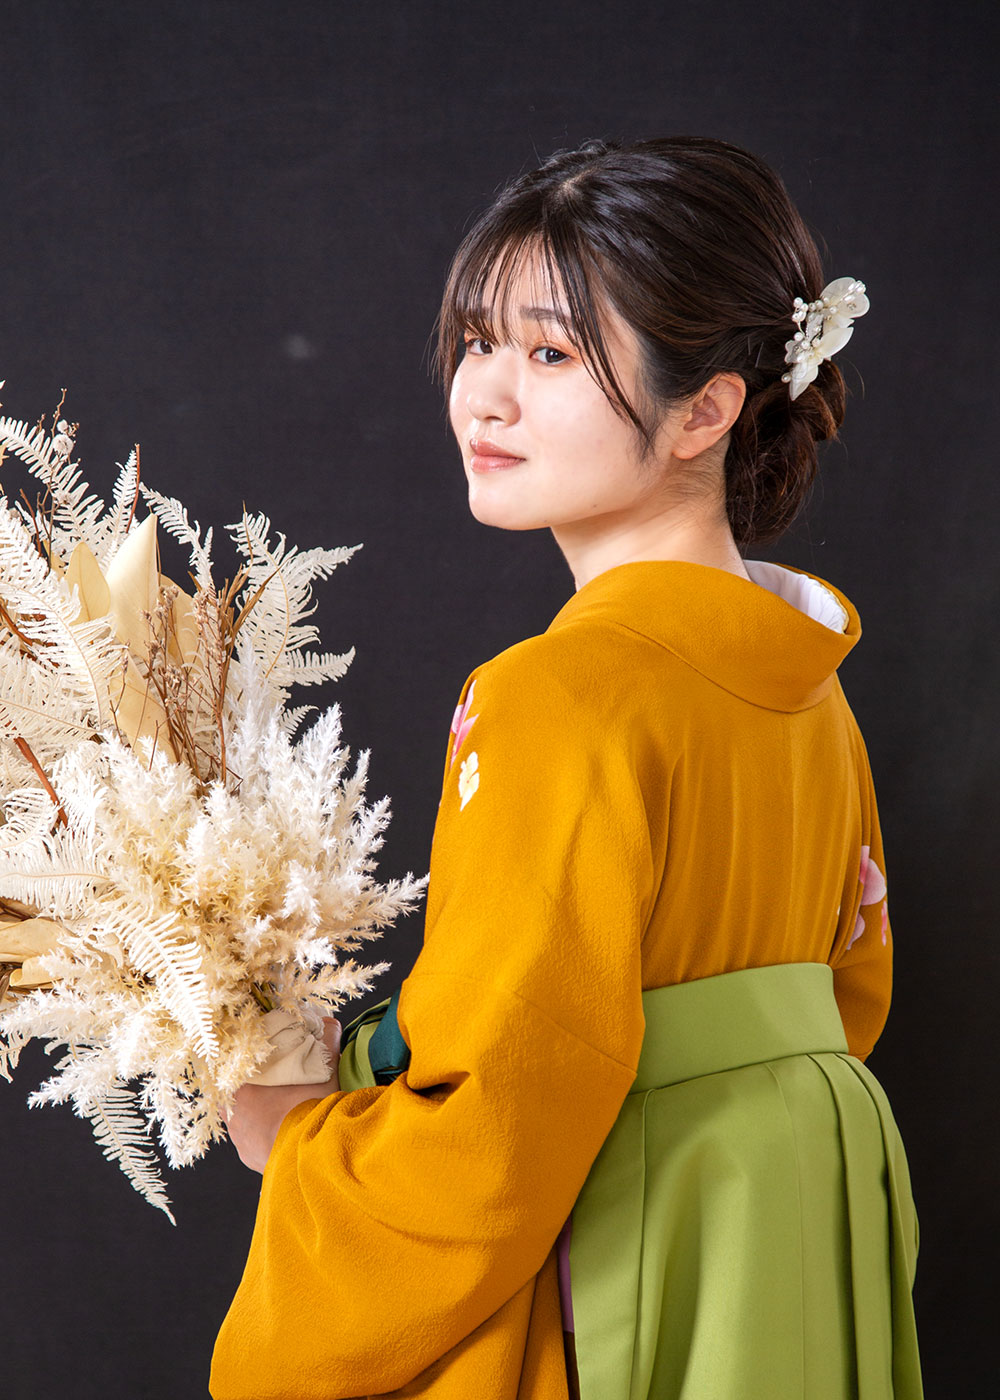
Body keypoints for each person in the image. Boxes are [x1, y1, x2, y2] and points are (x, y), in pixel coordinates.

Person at [212, 136, 922, 1399]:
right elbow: (843, 1004)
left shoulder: (555, 695)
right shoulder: (810, 685)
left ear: (705, 408)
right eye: (476, 341)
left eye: (548, 354)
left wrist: (299, 1131)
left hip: (628, 1250)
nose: (482, 396)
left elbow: (499, 1116)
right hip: (782, 1231)